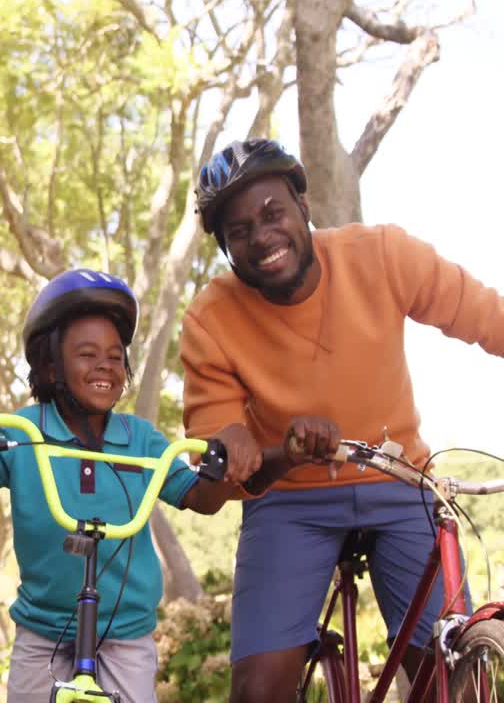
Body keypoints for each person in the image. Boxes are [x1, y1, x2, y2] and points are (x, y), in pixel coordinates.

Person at [181, 138, 504, 702]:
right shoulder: (211, 316)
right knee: (258, 691)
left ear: (302, 206)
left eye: (272, 213)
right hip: (289, 502)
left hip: (400, 482)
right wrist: (260, 447)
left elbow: (484, 316)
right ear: (227, 247)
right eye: (239, 231)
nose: (261, 237)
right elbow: (223, 445)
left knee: (449, 676)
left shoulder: (380, 254)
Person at [0, 269, 252, 703]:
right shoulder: (26, 431)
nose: (106, 363)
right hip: (43, 627)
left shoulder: (140, 439)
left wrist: (221, 468)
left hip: (124, 631)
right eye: (87, 354)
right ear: (50, 366)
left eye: (115, 355)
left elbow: (199, 498)